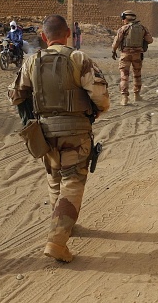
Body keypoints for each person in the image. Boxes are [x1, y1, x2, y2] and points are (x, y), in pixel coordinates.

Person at [7, 14, 110, 262]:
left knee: (55, 179)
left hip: (45, 133)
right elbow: (101, 96)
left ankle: (63, 226)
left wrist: (30, 117)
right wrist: (97, 111)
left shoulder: (32, 61)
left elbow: (14, 94)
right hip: (75, 131)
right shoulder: (78, 58)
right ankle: (57, 240)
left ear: (44, 37)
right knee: (73, 182)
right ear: (68, 34)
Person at [111, 10, 154, 105]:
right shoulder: (143, 28)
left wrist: (113, 51)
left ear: (125, 18)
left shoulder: (123, 29)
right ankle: (137, 95)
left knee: (124, 76)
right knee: (137, 75)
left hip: (125, 55)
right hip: (137, 55)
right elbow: (150, 40)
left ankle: (124, 98)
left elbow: (117, 42)